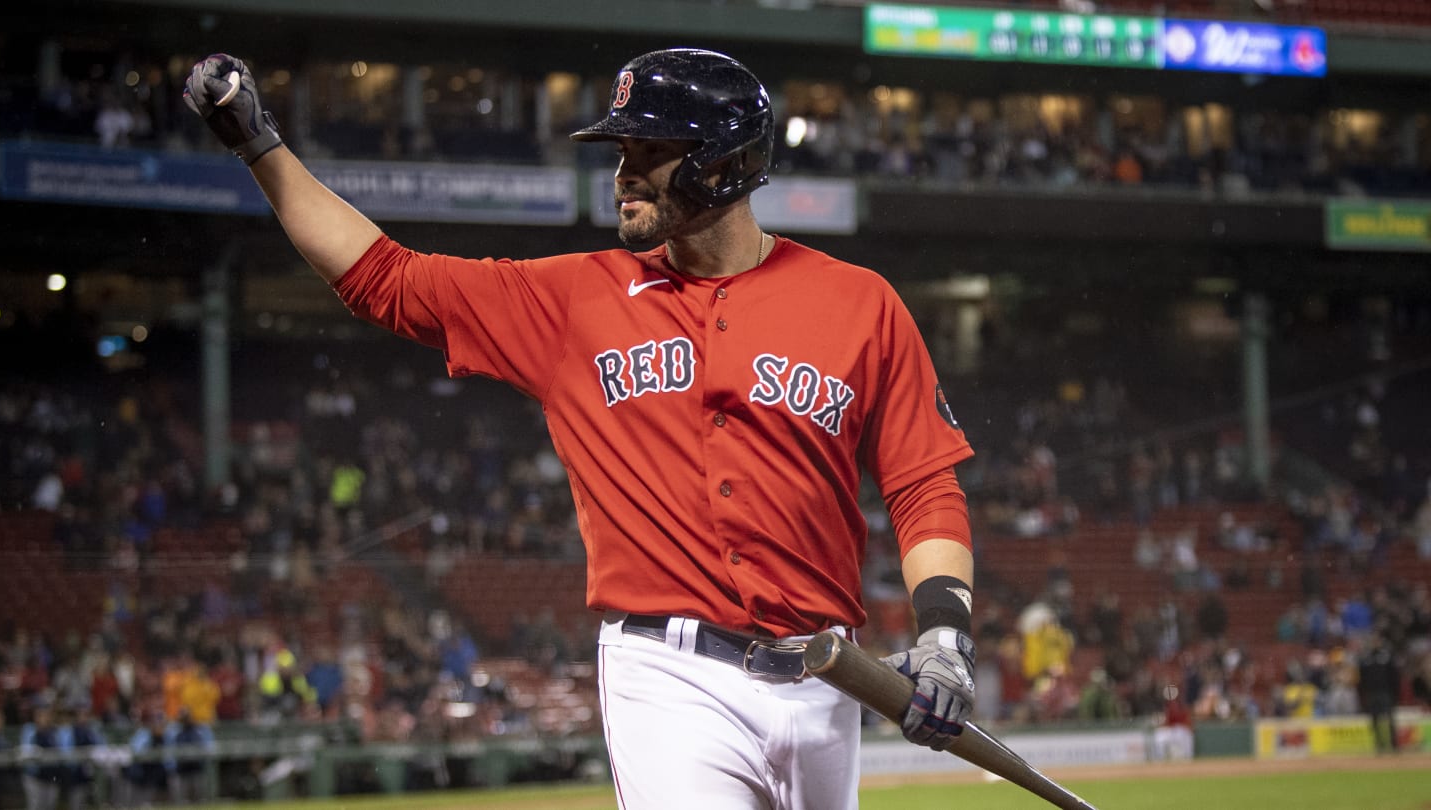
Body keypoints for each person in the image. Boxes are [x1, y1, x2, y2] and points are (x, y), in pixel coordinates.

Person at [185, 47, 978, 810]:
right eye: (621, 149)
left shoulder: (860, 303)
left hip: (828, 678)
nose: (623, 173)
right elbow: (383, 278)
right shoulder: (573, 300)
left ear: (727, 163)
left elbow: (922, 483)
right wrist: (260, 146)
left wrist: (944, 634)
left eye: (650, 149)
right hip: (671, 676)